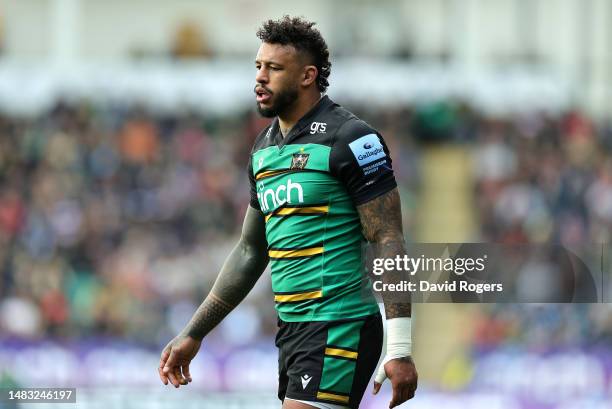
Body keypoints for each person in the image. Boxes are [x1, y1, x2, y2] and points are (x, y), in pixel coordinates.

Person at [158, 16, 418, 409]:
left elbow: (388, 238)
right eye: (258, 67)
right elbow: (250, 250)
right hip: (293, 331)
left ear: (307, 76)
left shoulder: (352, 138)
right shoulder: (263, 150)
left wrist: (399, 345)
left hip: (340, 324)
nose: (260, 78)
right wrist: (194, 333)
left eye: (274, 68)